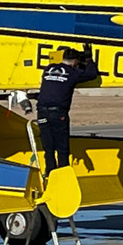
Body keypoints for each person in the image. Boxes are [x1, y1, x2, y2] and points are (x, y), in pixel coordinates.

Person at [36, 44, 100, 175]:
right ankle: (62, 174)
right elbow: (92, 74)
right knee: (62, 147)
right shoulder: (72, 73)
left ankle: (49, 173)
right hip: (58, 112)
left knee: (48, 147)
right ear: (75, 62)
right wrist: (88, 59)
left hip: (42, 110)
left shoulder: (48, 69)